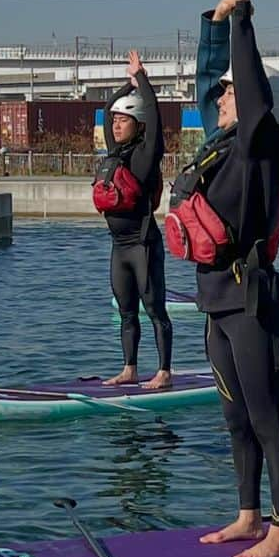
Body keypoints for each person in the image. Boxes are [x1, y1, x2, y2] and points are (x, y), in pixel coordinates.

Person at [177, 0, 279, 557]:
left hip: (251, 301)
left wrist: (244, 17)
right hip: (214, 301)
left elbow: (244, 84)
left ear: (258, 106)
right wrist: (216, 18)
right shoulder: (219, 145)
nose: (222, 97)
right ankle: (248, 515)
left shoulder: (257, 149)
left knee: (265, 414)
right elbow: (209, 80)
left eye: (232, 92)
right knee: (232, 417)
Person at [93, 50, 172, 389]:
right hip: (119, 248)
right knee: (126, 312)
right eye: (114, 121)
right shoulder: (115, 155)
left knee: (154, 309)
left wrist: (141, 78)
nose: (116, 126)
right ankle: (129, 368)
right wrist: (122, 90)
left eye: (123, 121)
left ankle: (164, 371)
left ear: (137, 126)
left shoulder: (145, 156)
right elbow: (105, 114)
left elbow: (154, 113)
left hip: (143, 245)